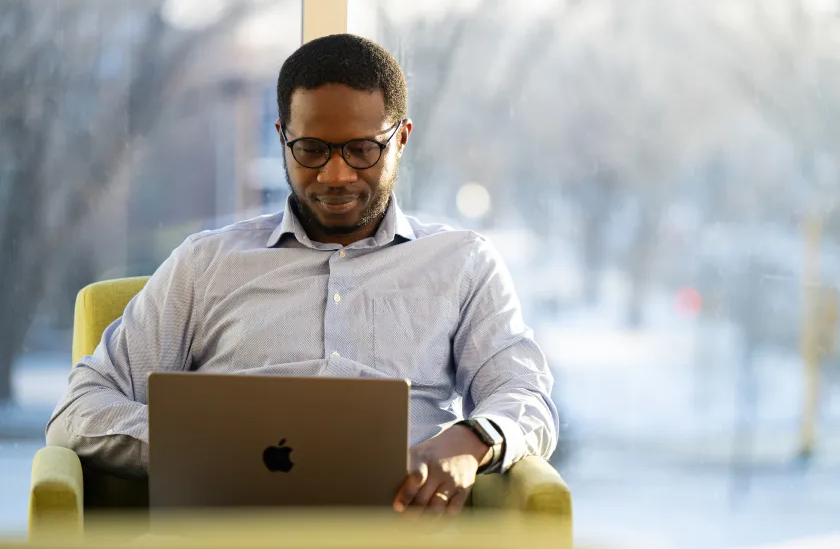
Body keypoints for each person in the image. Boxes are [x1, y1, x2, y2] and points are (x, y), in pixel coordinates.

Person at [46, 34, 559, 516]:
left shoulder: (463, 263)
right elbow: (80, 408)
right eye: (311, 149)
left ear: (401, 139)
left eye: (362, 150)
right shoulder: (204, 264)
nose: (335, 176)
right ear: (282, 138)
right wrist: (199, 447)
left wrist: (467, 442)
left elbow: (526, 396)